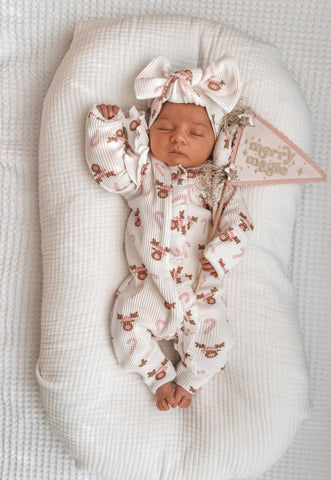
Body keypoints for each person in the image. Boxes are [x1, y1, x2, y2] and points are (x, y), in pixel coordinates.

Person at [85, 55, 253, 411]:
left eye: (195, 133)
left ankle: (190, 382)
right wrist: (106, 128)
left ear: (214, 143)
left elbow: (240, 224)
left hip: (199, 295)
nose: (178, 137)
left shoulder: (216, 186)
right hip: (147, 290)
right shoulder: (145, 173)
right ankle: (159, 378)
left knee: (217, 339)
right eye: (164, 129)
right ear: (148, 132)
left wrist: (219, 254)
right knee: (125, 326)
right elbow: (110, 174)